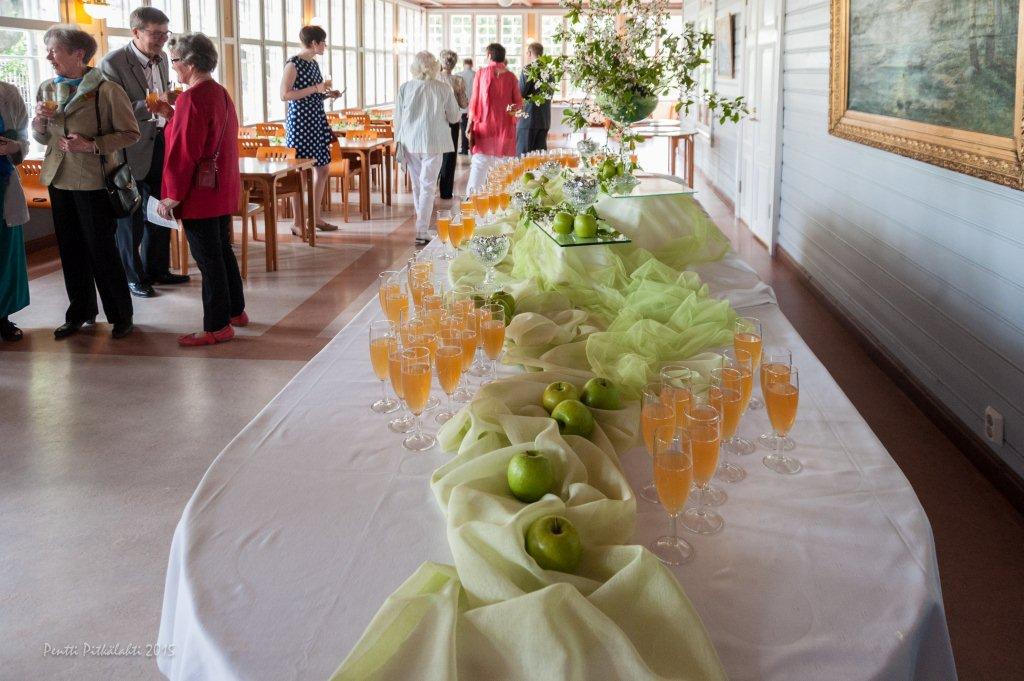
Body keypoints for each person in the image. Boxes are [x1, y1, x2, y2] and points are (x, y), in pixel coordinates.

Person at [32, 25, 140, 340]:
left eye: (54, 50)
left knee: (102, 250)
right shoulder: (47, 88)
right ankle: (80, 313)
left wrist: (91, 145)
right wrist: (38, 125)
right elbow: (43, 138)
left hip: (93, 181)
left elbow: (130, 133)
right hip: (58, 179)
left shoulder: (107, 90)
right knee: (70, 250)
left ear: (78, 54)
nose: (48, 57)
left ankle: (121, 315)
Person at [154, 33, 245, 347]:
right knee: (222, 251)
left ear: (190, 63)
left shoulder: (190, 98)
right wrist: (172, 115)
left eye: (175, 61)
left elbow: (184, 151)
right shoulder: (220, 92)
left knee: (209, 260)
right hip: (220, 188)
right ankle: (235, 311)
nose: (174, 67)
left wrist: (172, 195)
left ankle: (217, 326)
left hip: (199, 193)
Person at [100, 6, 190, 299]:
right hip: (130, 148)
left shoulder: (162, 59)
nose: (162, 40)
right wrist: (151, 104)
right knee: (131, 217)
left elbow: (161, 100)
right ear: (136, 32)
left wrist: (167, 105)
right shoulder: (113, 63)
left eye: (165, 33)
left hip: (161, 141)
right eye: (156, 34)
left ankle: (157, 269)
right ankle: (132, 277)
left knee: (161, 207)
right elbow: (112, 111)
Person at [393, 51, 460, 245]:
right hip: (433, 141)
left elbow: (398, 119)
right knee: (428, 186)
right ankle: (421, 230)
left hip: (410, 141)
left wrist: (398, 141)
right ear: (434, 67)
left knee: (418, 185)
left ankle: (421, 227)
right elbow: (454, 117)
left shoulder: (405, 88)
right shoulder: (443, 88)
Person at [281, 25, 342, 234]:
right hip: (300, 124)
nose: (325, 45)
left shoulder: (314, 64)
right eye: (323, 42)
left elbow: (312, 95)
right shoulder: (293, 63)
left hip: (316, 121)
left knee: (323, 168)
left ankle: (315, 218)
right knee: (300, 173)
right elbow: (285, 95)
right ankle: (298, 223)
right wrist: (316, 88)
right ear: (314, 43)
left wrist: (327, 94)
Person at [465, 43, 522, 195]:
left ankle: (471, 202)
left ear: (489, 55)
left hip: (483, 128)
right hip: (505, 130)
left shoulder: (481, 73)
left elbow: (474, 101)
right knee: (503, 171)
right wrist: (505, 113)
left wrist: (469, 124)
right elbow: (518, 106)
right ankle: (500, 204)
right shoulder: (511, 77)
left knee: (479, 166)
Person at [0, 80, 30, 341]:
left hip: (4, 184)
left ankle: (3, 317)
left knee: (6, 255)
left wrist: (14, 147)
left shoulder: (8, 94)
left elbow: (23, 139)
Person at [435, 49, 468, 203]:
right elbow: (463, 104)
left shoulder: (433, 78)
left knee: (434, 154)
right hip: (452, 121)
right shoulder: (458, 80)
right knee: (449, 156)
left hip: (435, 121)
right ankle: (446, 192)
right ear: (454, 64)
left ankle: (431, 187)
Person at [516, 42, 551, 155]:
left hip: (528, 119)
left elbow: (520, 93)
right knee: (539, 157)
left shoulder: (528, 69)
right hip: (544, 119)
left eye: (527, 53)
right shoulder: (549, 71)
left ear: (530, 53)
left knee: (523, 156)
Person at [456, 58, 475, 155]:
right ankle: (473, 148)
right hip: (474, 106)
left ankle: (464, 148)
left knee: (463, 128)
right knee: (474, 128)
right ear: (472, 64)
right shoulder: (476, 74)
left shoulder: (458, 75)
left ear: (463, 64)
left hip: (462, 106)